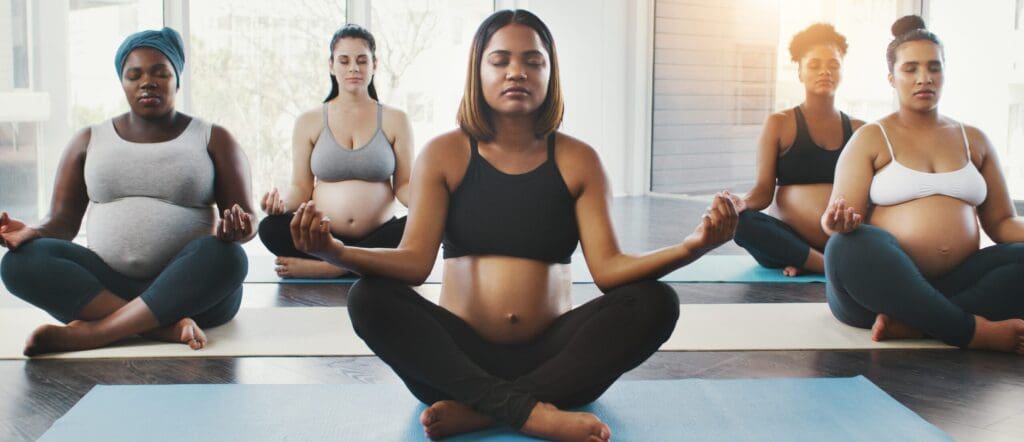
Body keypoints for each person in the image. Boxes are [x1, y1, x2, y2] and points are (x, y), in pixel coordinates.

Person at [290, 10, 738, 441]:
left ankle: (487, 410)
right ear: (478, 71)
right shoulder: (444, 154)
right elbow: (413, 264)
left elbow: (609, 270)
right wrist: (335, 251)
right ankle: (531, 412)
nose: (516, 72)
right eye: (500, 60)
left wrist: (692, 247)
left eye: (532, 61)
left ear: (550, 72)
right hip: (457, 364)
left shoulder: (579, 160)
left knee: (656, 302)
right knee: (368, 297)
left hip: (556, 363)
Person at [0, 27, 254, 357]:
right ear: (122, 83)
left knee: (229, 258)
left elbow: (247, 219)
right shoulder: (89, 139)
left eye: (160, 72)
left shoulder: (213, 138)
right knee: (19, 263)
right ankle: (162, 327)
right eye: (134, 75)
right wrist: (33, 233)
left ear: (177, 79)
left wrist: (240, 227)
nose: (147, 82)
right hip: (104, 288)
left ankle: (98, 332)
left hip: (189, 289)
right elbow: (63, 222)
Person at [822, 15, 1024, 354]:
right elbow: (839, 218)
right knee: (848, 247)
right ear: (892, 77)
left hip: (955, 282)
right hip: (879, 290)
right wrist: (835, 223)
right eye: (910, 69)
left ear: (945, 72)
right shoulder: (870, 138)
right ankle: (970, 330)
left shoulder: (974, 139)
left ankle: (919, 323)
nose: (924, 78)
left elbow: (1002, 223)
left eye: (934, 67)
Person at [257, 24, 413, 279]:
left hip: (379, 236)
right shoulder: (309, 120)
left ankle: (333, 267)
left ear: (375, 64)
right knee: (270, 228)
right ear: (331, 65)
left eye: (362, 61)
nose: (354, 68)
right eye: (344, 61)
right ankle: (358, 264)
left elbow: (404, 186)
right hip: (323, 237)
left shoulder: (396, 120)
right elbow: (301, 188)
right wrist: (281, 204)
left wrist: (429, 204)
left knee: (422, 224)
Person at [731, 23, 865, 276]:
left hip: (841, 238)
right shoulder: (779, 123)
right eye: (814, 65)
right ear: (800, 72)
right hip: (788, 239)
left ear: (842, 71)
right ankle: (824, 265)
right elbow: (762, 192)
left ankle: (808, 262)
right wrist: (741, 203)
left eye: (833, 65)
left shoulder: (860, 130)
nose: (825, 71)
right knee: (741, 223)